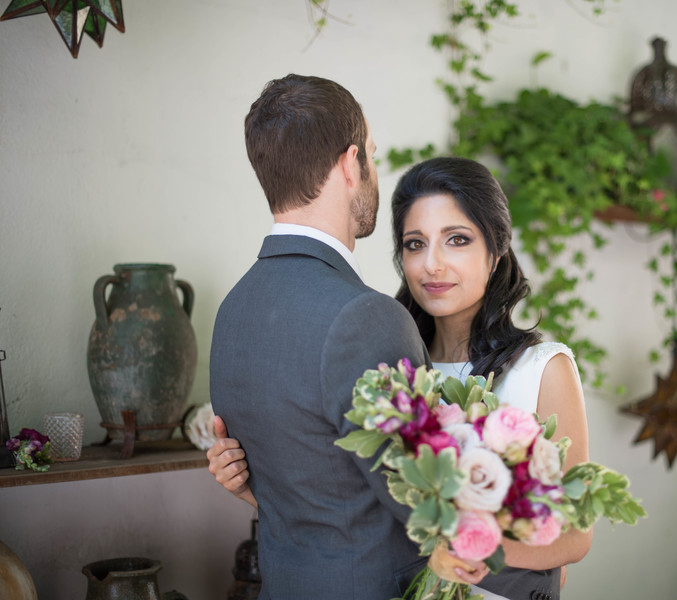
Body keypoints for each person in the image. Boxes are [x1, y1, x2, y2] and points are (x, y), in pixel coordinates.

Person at [210, 155, 593, 599]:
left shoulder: (543, 369)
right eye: (415, 244)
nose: (432, 263)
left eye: (457, 239)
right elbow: (355, 512)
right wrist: (247, 484)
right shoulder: (387, 365)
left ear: (496, 253)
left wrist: (460, 548)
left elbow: (574, 537)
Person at [209, 74, 472, 600]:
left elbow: (307, 485)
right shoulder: (365, 317)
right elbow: (426, 504)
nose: (374, 170)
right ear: (351, 164)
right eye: (372, 155)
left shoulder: (232, 311)